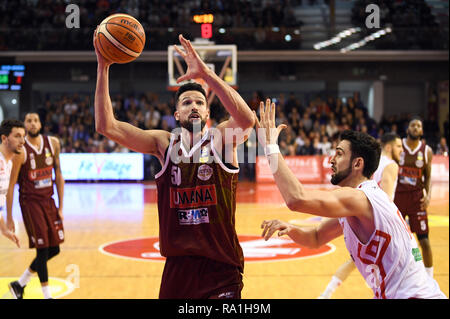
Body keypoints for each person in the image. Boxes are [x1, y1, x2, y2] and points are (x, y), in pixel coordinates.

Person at [94, 33, 254, 299]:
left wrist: (206, 74)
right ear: (176, 114)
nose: (194, 106)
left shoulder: (221, 139)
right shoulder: (163, 143)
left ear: (207, 113)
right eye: (186, 102)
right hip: (178, 269)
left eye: (200, 103)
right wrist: (103, 65)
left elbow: (247, 120)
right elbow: (106, 126)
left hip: (221, 267)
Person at [255, 100, 446, 299]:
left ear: (357, 164)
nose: (331, 159)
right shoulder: (357, 204)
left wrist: (270, 147)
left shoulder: (359, 198)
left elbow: (296, 199)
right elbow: (316, 237)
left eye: (339, 154)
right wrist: (290, 229)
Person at [318, 132, 403, 298]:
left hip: (362, 214)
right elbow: (386, 198)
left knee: (354, 261)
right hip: (375, 222)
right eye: (399, 146)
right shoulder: (390, 165)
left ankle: (326, 293)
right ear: (388, 146)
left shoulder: (375, 165)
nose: (401, 149)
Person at [6, 113, 65, 299]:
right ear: (24, 126)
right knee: (42, 249)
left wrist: (61, 207)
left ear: (41, 123)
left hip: (49, 202)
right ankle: (47, 296)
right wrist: (9, 217)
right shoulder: (21, 152)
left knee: (55, 248)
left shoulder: (53, 143)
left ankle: (20, 284)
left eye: (35, 120)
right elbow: (11, 186)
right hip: (31, 204)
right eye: (29, 121)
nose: (32, 124)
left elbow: (59, 176)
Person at [394, 117, 435, 278]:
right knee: (397, 241)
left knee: (424, 241)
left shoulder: (427, 151)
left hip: (416, 199)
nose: (416, 128)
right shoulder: (398, 146)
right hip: (397, 198)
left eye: (419, 126)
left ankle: (429, 278)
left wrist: (428, 195)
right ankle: (397, 273)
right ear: (408, 129)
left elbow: (428, 177)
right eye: (413, 125)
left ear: (422, 131)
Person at [0, 119, 24, 247]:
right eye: (17, 136)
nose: (23, 141)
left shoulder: (8, 163)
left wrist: (4, 230)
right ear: (4, 138)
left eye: (23, 136)